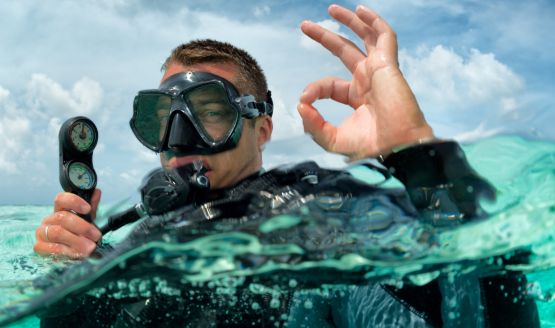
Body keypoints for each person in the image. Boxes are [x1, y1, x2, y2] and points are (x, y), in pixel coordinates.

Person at [31, 4, 538, 327]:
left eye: (210, 113)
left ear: (262, 129)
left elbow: (475, 295)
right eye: (162, 119)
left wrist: (415, 154)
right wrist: (69, 281)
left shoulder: (320, 211)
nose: (178, 141)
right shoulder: (136, 244)